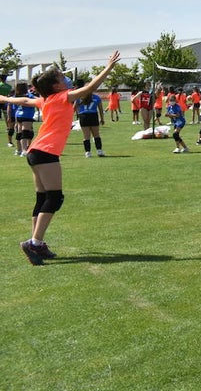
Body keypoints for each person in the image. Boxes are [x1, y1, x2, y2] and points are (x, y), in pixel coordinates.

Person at [0, 51, 120, 265]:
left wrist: (4, 98)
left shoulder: (46, 100)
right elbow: (90, 88)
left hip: (35, 152)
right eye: (61, 78)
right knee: (55, 198)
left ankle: (37, 243)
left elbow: (22, 99)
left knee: (42, 198)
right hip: (45, 152)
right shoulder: (62, 96)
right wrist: (108, 68)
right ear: (56, 86)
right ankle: (34, 242)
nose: (65, 79)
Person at [75, 86, 106, 158]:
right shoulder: (96, 97)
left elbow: (74, 107)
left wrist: (79, 113)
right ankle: (99, 151)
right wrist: (102, 118)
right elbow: (100, 109)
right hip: (93, 116)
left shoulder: (79, 97)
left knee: (86, 136)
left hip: (83, 116)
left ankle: (88, 152)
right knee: (96, 135)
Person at [12, 82, 36, 156]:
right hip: (27, 115)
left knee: (19, 133)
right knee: (25, 132)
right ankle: (24, 150)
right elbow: (35, 101)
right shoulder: (29, 96)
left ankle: (18, 150)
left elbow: (14, 107)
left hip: (19, 115)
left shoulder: (16, 97)